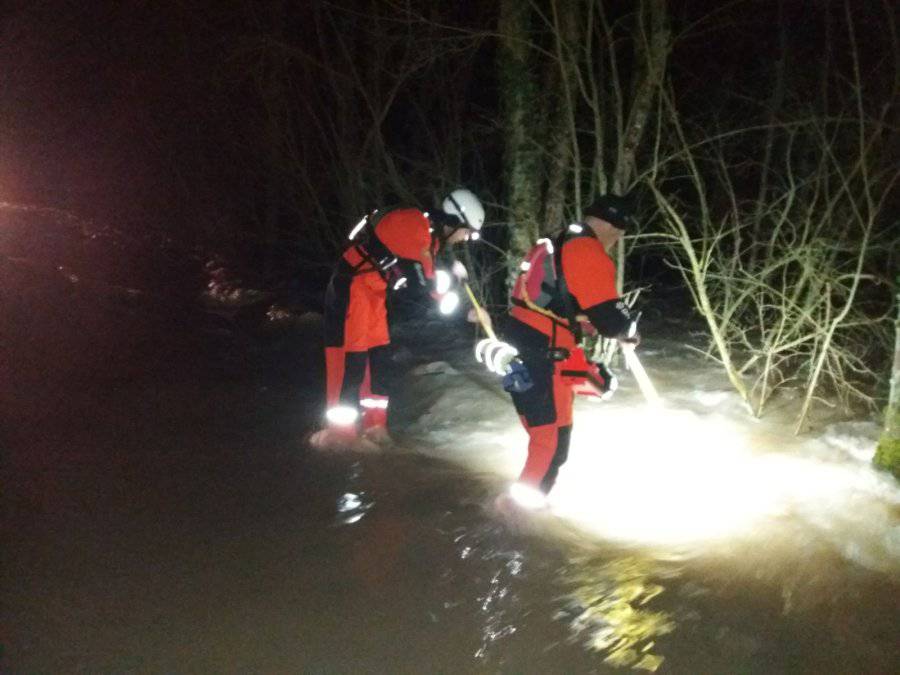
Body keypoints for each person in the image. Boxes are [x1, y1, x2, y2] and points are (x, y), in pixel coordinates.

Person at [310, 189, 485, 450]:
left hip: (373, 292)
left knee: (380, 358)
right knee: (351, 360)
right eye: (467, 232)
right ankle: (340, 433)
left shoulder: (430, 237)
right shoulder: (413, 225)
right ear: (456, 220)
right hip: (351, 287)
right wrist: (463, 310)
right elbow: (423, 287)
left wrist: (458, 294)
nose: (466, 238)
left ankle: (375, 425)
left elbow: (429, 284)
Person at [501, 194, 640, 506]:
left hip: (522, 346)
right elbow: (611, 318)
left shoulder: (555, 242)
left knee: (553, 438)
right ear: (610, 227)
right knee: (548, 442)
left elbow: (546, 298)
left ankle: (530, 506)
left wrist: (580, 319)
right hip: (544, 354)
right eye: (618, 235)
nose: (616, 242)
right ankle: (515, 520)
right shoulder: (587, 250)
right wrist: (628, 329)